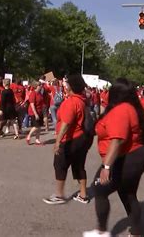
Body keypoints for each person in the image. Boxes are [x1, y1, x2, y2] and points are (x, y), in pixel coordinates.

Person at [83, 78, 144, 237]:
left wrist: (106, 167)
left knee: (100, 190)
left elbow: (118, 140)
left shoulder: (122, 110)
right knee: (128, 193)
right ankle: (137, 232)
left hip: (126, 157)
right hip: (134, 156)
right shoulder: (129, 108)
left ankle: (101, 232)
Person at [43, 75, 93, 205]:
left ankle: (59, 195)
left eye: (67, 84)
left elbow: (66, 124)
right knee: (79, 166)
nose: (65, 86)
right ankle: (83, 195)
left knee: (60, 165)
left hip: (71, 139)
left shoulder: (71, 102)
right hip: (82, 138)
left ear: (71, 86)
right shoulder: (82, 100)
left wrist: (58, 141)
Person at [26, 81, 45, 145]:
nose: (41, 86)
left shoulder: (39, 93)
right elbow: (32, 104)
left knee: (39, 126)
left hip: (40, 111)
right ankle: (29, 136)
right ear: (36, 86)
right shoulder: (33, 93)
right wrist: (35, 114)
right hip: (33, 112)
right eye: (40, 85)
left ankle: (37, 139)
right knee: (36, 126)